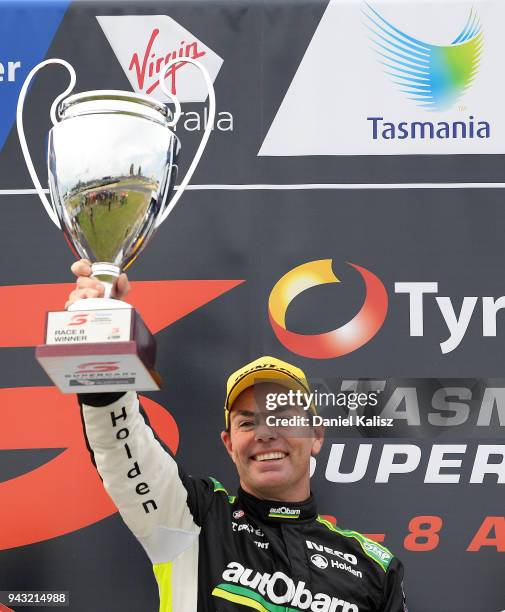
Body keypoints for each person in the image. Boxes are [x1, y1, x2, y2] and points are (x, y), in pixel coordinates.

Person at [69, 260, 408, 612]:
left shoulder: (375, 569)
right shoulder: (192, 520)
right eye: (247, 423)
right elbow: (121, 445)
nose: (265, 434)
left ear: (316, 435)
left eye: (282, 416)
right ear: (229, 444)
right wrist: (102, 344)